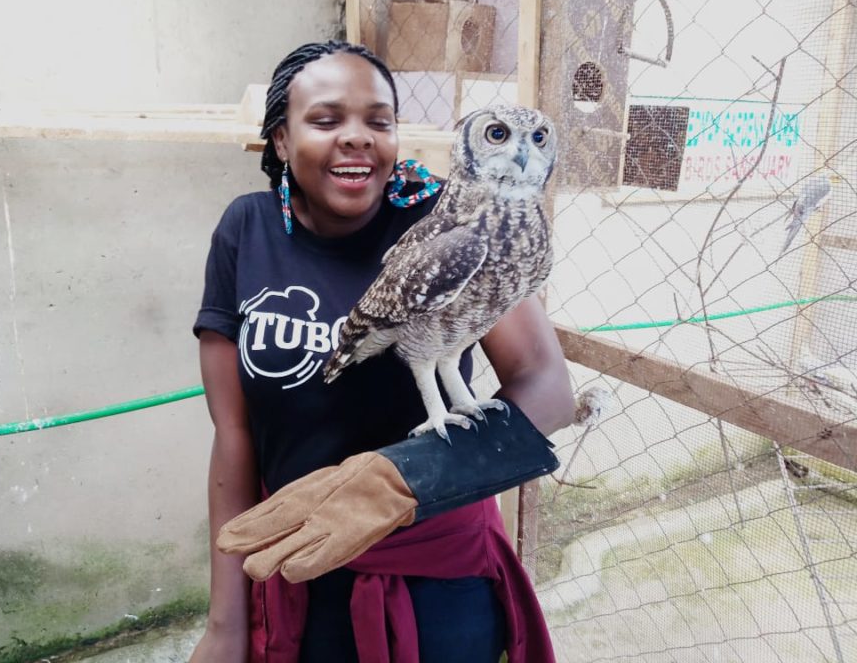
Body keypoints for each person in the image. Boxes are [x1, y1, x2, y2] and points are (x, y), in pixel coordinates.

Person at [190, 40, 576, 663]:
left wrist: (405, 477)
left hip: (438, 571)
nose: (356, 138)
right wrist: (225, 623)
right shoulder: (247, 228)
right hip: (296, 554)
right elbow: (232, 431)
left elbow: (549, 391)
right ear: (281, 140)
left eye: (379, 121)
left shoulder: (462, 218)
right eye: (324, 120)